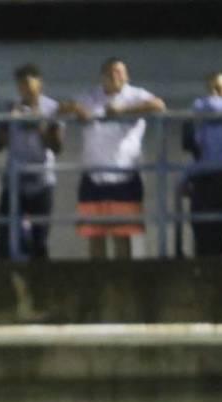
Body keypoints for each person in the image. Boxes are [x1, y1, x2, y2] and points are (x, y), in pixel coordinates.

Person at [63, 58, 166, 260]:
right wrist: (75, 108)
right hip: (93, 176)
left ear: (127, 76)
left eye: (119, 72)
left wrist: (123, 110)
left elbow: (158, 105)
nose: (115, 76)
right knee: (94, 236)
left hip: (124, 175)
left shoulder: (135, 94)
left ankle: (122, 277)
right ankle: (98, 277)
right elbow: (63, 107)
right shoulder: (91, 96)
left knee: (122, 235)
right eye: (110, 72)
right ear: (102, 76)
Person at [0, 63, 62, 260]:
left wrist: (40, 125)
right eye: (22, 86)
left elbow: (57, 147)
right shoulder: (11, 106)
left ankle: (40, 273)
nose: (26, 90)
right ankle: (4, 270)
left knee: (40, 237)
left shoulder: (52, 108)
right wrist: (8, 122)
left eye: (30, 85)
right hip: (14, 178)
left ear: (40, 84)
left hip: (42, 179)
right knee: (5, 234)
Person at [182, 73, 222, 258]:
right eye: (211, 89)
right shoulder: (206, 117)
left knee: (211, 229)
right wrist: (186, 177)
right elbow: (199, 151)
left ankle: (215, 268)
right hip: (207, 176)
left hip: (221, 177)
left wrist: (201, 105)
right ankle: (209, 267)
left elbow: (210, 106)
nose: (214, 94)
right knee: (203, 228)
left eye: (219, 88)